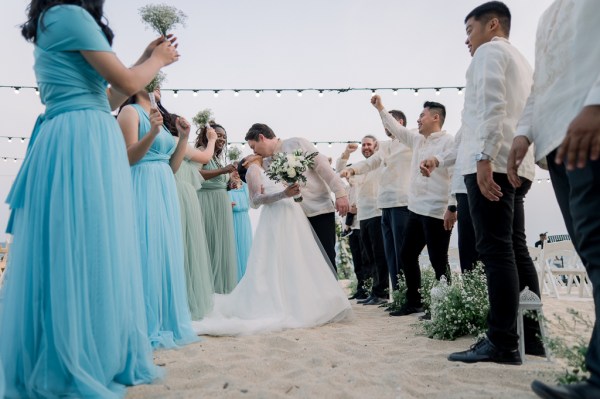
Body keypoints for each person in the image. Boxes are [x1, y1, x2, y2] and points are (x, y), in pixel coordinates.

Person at [0, 1, 178, 396]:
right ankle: (72, 354)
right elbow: (130, 86)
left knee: (88, 247)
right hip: (80, 139)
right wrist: (159, 61)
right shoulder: (68, 15)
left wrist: (145, 57)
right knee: (82, 247)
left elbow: (108, 95)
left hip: (83, 130)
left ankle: (88, 348)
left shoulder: (56, 20)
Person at [506, 1, 600, 396]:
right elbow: (542, 83)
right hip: (556, 142)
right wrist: (524, 133)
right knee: (591, 250)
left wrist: (596, 103)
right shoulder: (546, 16)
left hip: (590, 125)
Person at [446, 1, 541, 366]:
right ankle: (529, 335)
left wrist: (483, 158)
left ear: (492, 25)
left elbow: (491, 104)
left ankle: (501, 341)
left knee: (496, 251)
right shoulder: (522, 61)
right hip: (520, 164)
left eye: (470, 30)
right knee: (516, 248)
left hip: (492, 162)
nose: (467, 40)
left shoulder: (488, 54)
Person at [192, 155, 352, 336]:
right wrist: (284, 194)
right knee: (276, 261)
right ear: (246, 162)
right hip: (276, 219)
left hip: (290, 216)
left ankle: (297, 300)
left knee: (293, 259)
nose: (255, 152)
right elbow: (255, 201)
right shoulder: (253, 169)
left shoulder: (268, 169)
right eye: (251, 150)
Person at [118, 88, 198, 349]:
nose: (159, 89)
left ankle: (164, 318)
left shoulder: (160, 120)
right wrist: (152, 132)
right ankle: (139, 320)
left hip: (163, 186)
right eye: (153, 82)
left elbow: (171, 166)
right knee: (145, 249)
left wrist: (184, 138)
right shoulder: (130, 112)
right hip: (142, 184)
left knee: (163, 252)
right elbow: (128, 157)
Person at [371, 96, 455, 317]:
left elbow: (455, 176)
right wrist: (381, 108)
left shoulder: (449, 142)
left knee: (439, 260)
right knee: (407, 255)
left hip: (437, 211)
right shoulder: (417, 140)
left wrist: (453, 207)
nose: (418, 120)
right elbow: (396, 129)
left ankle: (444, 305)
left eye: (422, 115)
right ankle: (414, 301)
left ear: (435, 117)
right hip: (415, 210)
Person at [245, 123, 350, 269]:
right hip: (293, 220)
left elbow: (324, 167)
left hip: (319, 211)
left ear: (261, 137)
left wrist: (340, 194)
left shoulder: (296, 143)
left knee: (326, 259)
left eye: (253, 146)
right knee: (303, 264)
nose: (254, 152)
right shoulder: (265, 163)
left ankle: (331, 292)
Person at [341, 111, 412, 292]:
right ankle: (395, 295)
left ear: (400, 122)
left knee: (399, 253)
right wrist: (353, 169)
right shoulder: (386, 149)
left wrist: (380, 107)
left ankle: (403, 293)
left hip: (400, 203)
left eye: (388, 123)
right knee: (385, 255)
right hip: (382, 207)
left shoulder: (411, 139)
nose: (385, 127)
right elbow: (367, 163)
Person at [171, 114, 218, 320]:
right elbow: (206, 157)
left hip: (170, 192)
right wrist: (212, 140)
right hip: (181, 195)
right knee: (185, 246)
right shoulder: (175, 142)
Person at [338, 137, 388, 306]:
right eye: (364, 145)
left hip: (376, 213)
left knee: (378, 256)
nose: (366, 147)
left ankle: (381, 292)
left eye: (369, 144)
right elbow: (341, 171)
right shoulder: (359, 167)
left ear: (376, 146)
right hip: (363, 217)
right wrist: (346, 153)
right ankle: (372, 291)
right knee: (368, 259)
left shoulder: (380, 163)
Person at [196, 122, 239, 294]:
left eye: (224, 137)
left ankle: (221, 290)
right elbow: (197, 173)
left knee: (221, 246)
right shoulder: (201, 151)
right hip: (207, 203)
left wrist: (228, 185)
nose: (221, 139)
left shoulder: (216, 157)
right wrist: (222, 172)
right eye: (218, 135)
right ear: (208, 135)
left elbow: (217, 181)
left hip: (221, 205)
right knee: (209, 244)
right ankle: (207, 290)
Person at [228, 163, 253, 281]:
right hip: (230, 219)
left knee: (244, 246)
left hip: (243, 220)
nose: (236, 173)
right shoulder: (225, 187)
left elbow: (250, 202)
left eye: (238, 171)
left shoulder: (245, 186)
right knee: (232, 247)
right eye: (233, 171)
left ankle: (245, 278)